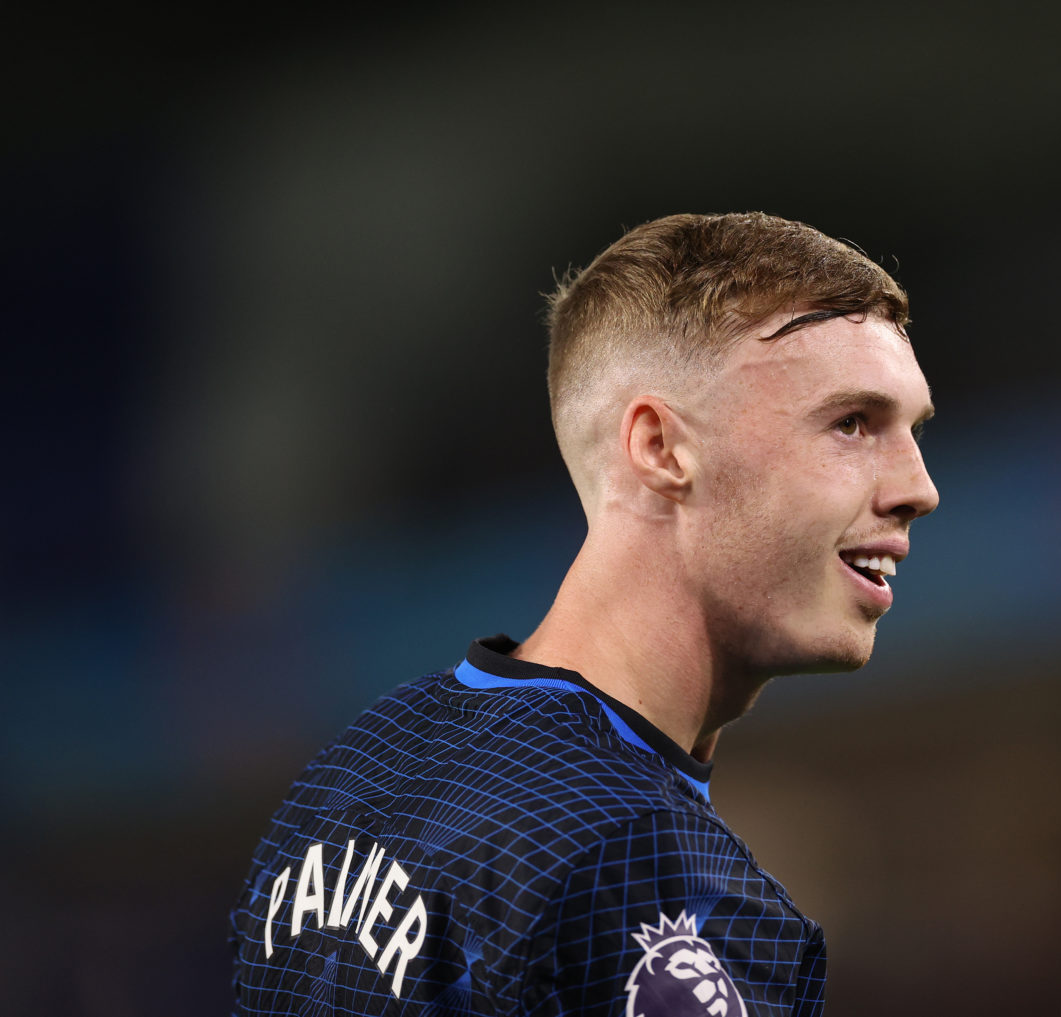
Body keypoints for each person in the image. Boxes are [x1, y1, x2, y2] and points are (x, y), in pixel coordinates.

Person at [230, 212, 940, 1015]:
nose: (919, 486)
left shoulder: (354, 773)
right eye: (852, 424)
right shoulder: (649, 875)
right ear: (660, 449)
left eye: (911, 431)